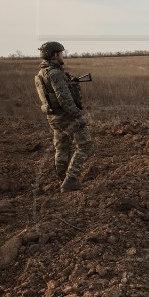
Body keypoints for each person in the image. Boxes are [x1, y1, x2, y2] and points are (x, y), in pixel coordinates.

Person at [34, 41, 93, 192]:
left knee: (62, 146)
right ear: (54, 55)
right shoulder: (55, 73)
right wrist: (78, 114)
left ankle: (62, 177)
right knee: (85, 145)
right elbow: (64, 99)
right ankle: (70, 180)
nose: (62, 55)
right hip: (66, 116)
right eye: (60, 53)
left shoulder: (42, 73)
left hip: (54, 117)